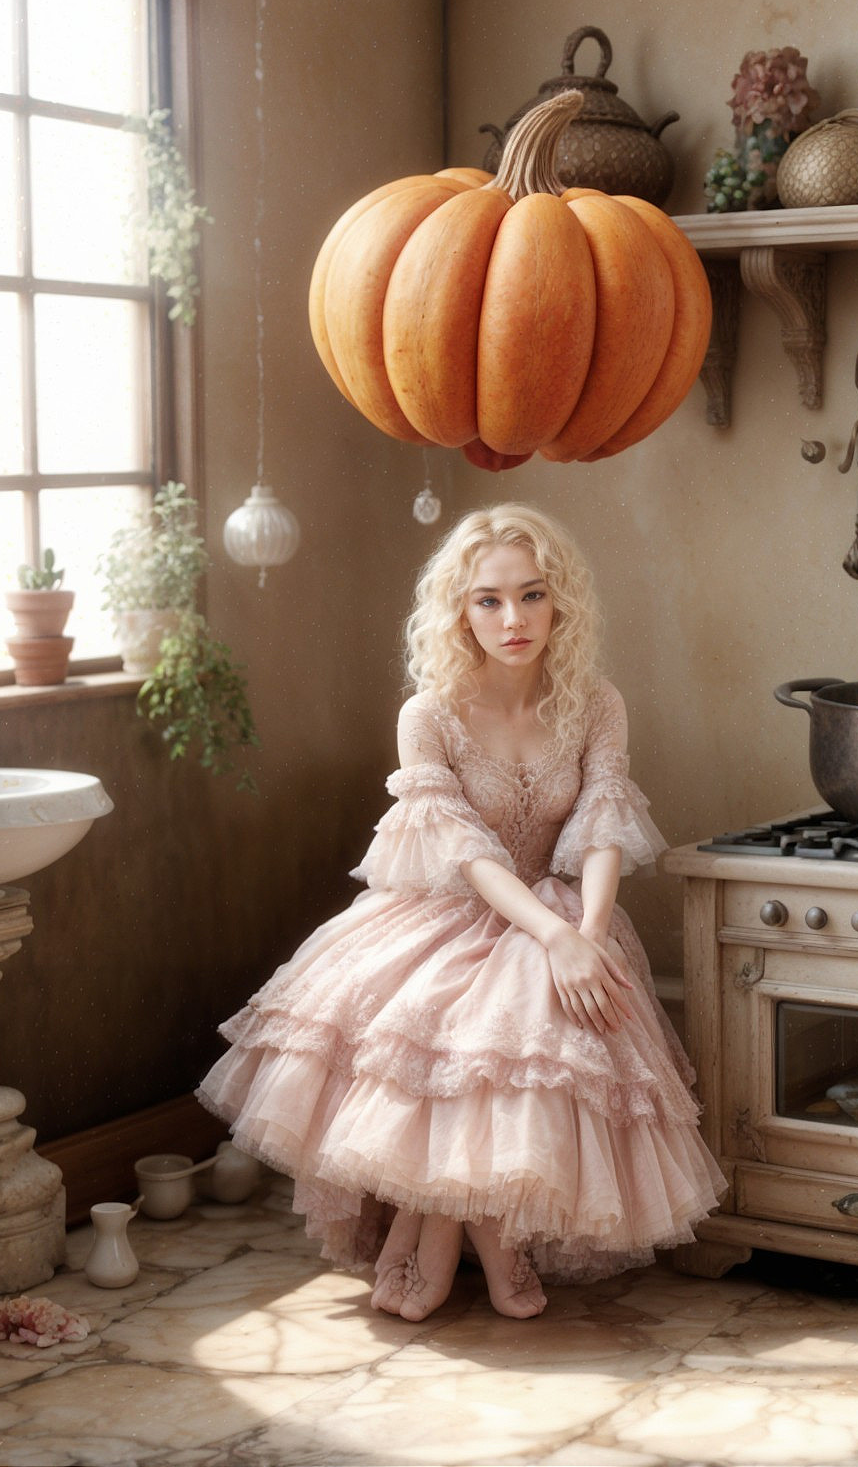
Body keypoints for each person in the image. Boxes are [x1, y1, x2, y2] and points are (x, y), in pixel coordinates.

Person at [198, 503, 725, 1321]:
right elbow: (465, 855)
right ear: (459, 608)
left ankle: (435, 1223)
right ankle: (474, 1233)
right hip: (456, 907)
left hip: (564, 906)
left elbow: (600, 827)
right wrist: (551, 936)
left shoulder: (594, 702)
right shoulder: (428, 714)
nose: (513, 620)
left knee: (554, 1009)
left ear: (562, 602)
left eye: (533, 595)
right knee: (475, 1018)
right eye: (488, 599)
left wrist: (587, 938)